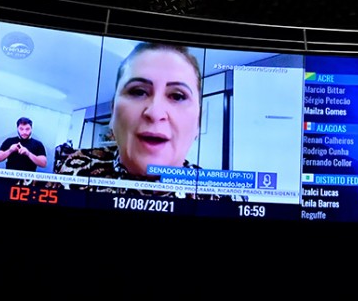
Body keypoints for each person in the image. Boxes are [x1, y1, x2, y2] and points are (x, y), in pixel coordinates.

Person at [53, 41, 244, 201]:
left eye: (177, 96)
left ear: (198, 123)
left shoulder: (221, 197)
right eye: (138, 91)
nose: (155, 112)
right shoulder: (72, 170)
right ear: (112, 113)